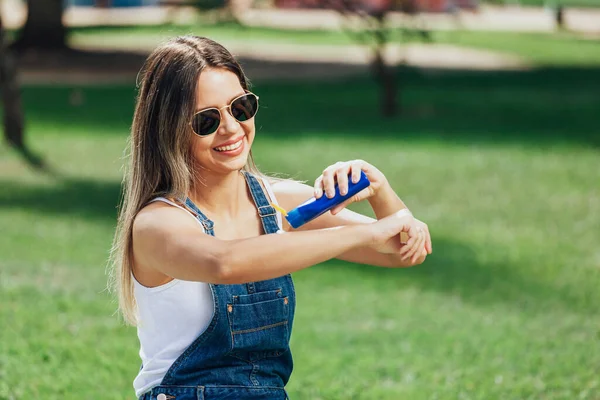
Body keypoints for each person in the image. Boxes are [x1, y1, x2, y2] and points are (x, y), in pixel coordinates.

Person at [108, 35, 432, 400]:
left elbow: (401, 249)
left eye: (240, 107)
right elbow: (224, 262)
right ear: (168, 129)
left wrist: (380, 188)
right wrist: (362, 234)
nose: (231, 128)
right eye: (206, 120)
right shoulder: (158, 223)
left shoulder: (278, 204)